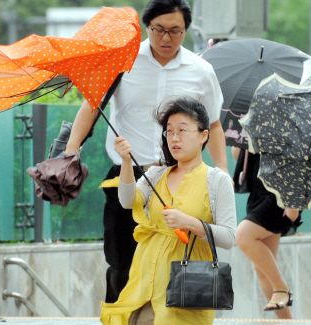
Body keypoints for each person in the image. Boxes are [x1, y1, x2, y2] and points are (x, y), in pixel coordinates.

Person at [63, 0, 227, 304]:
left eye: (175, 31)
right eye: (159, 30)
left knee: (179, 262)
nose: (166, 39)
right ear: (147, 27)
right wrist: (70, 153)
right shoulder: (121, 62)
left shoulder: (201, 70)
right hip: (127, 177)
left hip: (181, 178)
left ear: (186, 30)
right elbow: (91, 107)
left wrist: (222, 172)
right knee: (122, 263)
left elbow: (214, 124)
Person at [100, 96, 236, 325]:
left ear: (204, 135)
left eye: (182, 131)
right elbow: (126, 200)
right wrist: (125, 162)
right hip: (145, 287)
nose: (174, 138)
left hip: (186, 293)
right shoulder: (156, 174)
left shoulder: (216, 181)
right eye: (169, 131)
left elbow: (229, 237)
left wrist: (190, 222)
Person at [233, 148, 301, 318]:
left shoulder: (284, 122)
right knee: (263, 270)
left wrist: (292, 200)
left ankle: (282, 288)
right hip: (258, 191)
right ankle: (288, 321)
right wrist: (239, 142)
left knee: (243, 236)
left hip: (280, 193)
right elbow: (238, 156)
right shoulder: (251, 121)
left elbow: (297, 156)